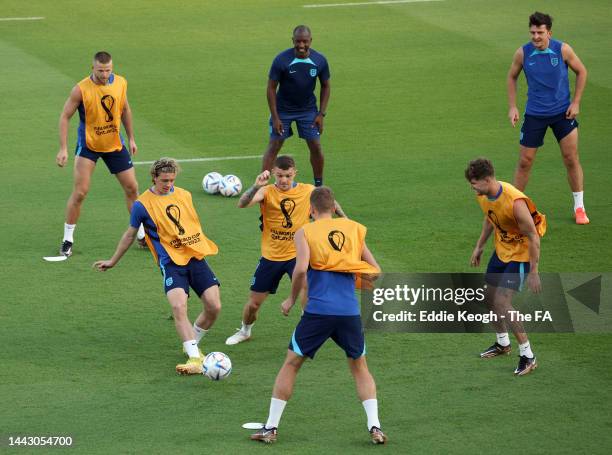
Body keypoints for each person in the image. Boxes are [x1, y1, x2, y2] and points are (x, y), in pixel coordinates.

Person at [250, 186, 387, 445]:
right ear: (334, 207)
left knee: (291, 364)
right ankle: (375, 426)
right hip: (349, 312)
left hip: (319, 312)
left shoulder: (305, 231)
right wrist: (347, 270)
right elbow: (375, 271)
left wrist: (291, 299)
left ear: (310, 210)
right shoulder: (354, 229)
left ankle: (271, 429)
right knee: (360, 367)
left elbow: (300, 270)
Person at [93, 158, 221, 375]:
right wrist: (113, 260)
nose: (168, 184)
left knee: (214, 307)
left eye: (171, 180)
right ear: (153, 177)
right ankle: (194, 357)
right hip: (171, 264)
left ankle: (192, 343)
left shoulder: (184, 195)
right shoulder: (142, 204)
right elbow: (130, 234)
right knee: (179, 307)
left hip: (196, 258)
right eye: (164, 180)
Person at [225, 155, 346, 345]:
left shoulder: (308, 190)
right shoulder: (266, 192)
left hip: (299, 254)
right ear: (273, 173)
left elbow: (330, 201)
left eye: (288, 176)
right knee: (254, 303)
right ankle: (245, 330)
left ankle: (308, 331)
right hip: (271, 256)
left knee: (307, 288)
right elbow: (242, 203)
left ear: (294, 173)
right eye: (280, 175)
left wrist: (344, 219)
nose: (283, 180)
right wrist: (256, 185)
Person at [56, 51, 145, 257]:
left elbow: (125, 110)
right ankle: (67, 239)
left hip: (114, 144)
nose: (104, 75)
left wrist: (131, 137)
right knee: (80, 192)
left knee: (132, 188)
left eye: (108, 70)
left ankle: (141, 235)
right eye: (100, 70)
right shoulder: (81, 89)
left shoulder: (121, 83)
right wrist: (63, 148)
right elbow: (65, 116)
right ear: (92, 68)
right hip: (88, 147)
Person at [466, 158, 546, 376]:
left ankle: (528, 355)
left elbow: (533, 236)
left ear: (487, 179)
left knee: (502, 303)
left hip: (520, 254)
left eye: (474, 183)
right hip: (502, 251)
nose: (471, 188)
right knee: (489, 299)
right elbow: (490, 218)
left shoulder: (515, 201)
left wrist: (534, 271)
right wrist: (479, 247)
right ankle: (503, 344)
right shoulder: (484, 196)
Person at [507, 12, 589, 224]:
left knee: (571, 158)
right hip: (535, 114)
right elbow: (511, 77)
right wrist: (513, 106)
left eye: (540, 32)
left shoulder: (562, 49)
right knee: (525, 161)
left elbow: (582, 71)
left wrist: (576, 102)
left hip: (563, 113)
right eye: (532, 32)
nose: (535, 36)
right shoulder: (523, 53)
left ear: (549, 33)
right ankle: (514, 208)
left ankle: (579, 207)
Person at [262, 25, 330, 187]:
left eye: (305, 41)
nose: (301, 45)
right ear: (292, 40)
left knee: (315, 145)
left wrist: (321, 114)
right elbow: (271, 88)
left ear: (310, 41)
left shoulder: (319, 60)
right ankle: (261, 186)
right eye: (298, 41)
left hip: (308, 111)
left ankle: (318, 185)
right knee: (274, 145)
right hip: (283, 111)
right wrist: (276, 117)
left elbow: (326, 86)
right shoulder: (281, 60)